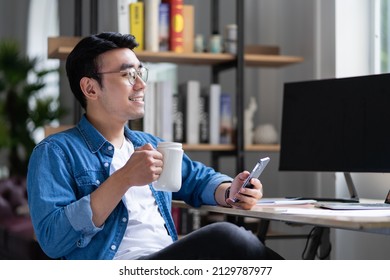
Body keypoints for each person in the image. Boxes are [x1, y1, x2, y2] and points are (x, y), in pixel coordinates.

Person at [27, 32, 283, 260]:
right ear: (90, 88)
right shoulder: (55, 152)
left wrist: (230, 191)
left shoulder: (151, 145)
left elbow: (198, 179)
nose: (141, 84)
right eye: (128, 75)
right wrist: (124, 178)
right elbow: (52, 240)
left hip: (165, 259)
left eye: (140, 72)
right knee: (229, 237)